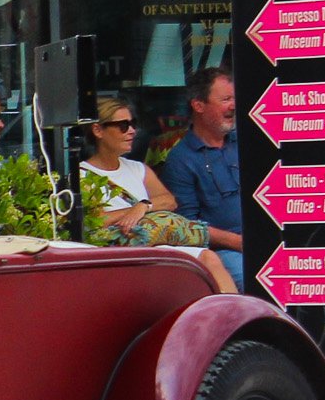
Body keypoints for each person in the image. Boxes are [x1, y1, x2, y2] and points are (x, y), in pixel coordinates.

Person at [78, 99, 235, 294]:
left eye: (133, 124)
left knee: (209, 258)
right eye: (123, 126)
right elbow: (94, 221)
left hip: (156, 248)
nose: (132, 131)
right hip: (119, 256)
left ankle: (235, 311)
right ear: (98, 130)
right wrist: (130, 212)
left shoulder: (138, 169)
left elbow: (169, 201)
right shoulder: (82, 176)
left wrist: (143, 206)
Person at [157, 66, 245, 288]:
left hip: (267, 242)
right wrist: (237, 242)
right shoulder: (181, 159)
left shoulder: (245, 143)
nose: (233, 106)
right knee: (248, 277)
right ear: (198, 105)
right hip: (224, 251)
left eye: (234, 98)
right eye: (225, 99)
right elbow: (188, 226)